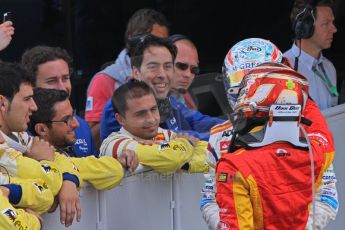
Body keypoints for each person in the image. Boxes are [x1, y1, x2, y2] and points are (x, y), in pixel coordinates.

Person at [201, 38, 338, 230]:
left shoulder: (307, 130)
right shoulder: (219, 136)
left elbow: (327, 196)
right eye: (240, 76)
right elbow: (209, 198)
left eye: (255, 77)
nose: (244, 85)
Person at [100, 35, 224, 142]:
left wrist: (231, 127)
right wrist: (223, 135)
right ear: (136, 72)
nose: (162, 74)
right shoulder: (118, 105)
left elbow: (198, 121)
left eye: (168, 66)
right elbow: (164, 142)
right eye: (153, 67)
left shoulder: (169, 100)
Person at [85, 8, 170, 148]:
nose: (158, 48)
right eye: (152, 41)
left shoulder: (163, 77)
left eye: (162, 42)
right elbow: (91, 139)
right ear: (132, 38)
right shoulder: (104, 79)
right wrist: (125, 104)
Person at [28, 87, 136, 187]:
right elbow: (104, 170)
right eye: (67, 119)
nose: (76, 124)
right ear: (42, 129)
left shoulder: (68, 150)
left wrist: (120, 160)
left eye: (73, 115)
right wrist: (117, 164)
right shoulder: (30, 162)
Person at [100, 81, 208, 174]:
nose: (151, 119)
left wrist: (177, 155)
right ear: (120, 119)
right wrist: (186, 143)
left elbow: (208, 155)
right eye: (140, 114)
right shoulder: (113, 144)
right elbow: (170, 159)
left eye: (153, 109)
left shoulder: (163, 133)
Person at [21, 45, 98, 157]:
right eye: (52, 81)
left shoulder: (80, 125)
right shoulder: (18, 131)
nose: (62, 87)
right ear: (30, 85)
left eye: (65, 78)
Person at [284, 0, 338, 110]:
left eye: (332, 23)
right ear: (305, 28)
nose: (334, 29)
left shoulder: (329, 68)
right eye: (326, 24)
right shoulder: (283, 69)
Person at [168, 34, 199, 110]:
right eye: (181, 66)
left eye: (194, 69)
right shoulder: (148, 102)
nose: (188, 75)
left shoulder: (190, 100)